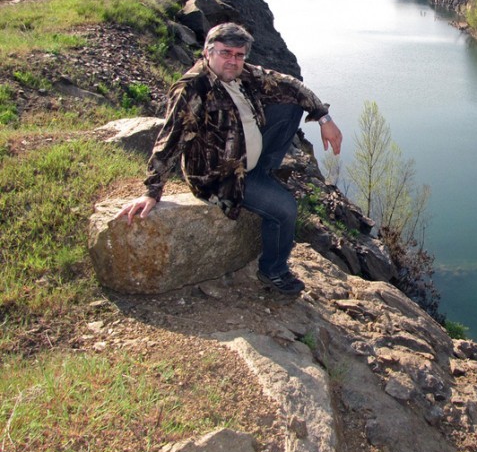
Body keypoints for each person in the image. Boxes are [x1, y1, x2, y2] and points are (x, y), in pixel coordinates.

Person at [115, 22, 342, 295]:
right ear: (208, 52)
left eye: (239, 54)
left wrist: (324, 118)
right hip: (221, 176)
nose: (232, 60)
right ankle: (274, 271)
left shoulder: (243, 74)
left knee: (291, 105)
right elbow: (170, 139)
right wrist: (152, 190)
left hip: (248, 159)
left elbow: (291, 84)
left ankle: (263, 172)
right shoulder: (193, 89)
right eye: (225, 53)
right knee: (285, 209)